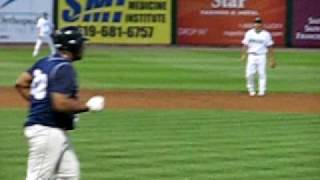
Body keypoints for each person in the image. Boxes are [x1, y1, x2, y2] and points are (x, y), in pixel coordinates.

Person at [15, 26, 105, 180]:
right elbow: (60, 104)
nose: (84, 47)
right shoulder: (64, 68)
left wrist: (38, 102)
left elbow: (21, 82)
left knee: (69, 175)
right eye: (81, 43)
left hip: (53, 130)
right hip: (47, 130)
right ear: (73, 45)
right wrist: (88, 106)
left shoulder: (44, 62)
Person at [241, 17, 276, 96]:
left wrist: (272, 59)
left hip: (262, 56)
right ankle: (251, 90)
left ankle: (262, 91)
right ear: (254, 24)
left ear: (261, 24)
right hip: (251, 55)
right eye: (256, 22)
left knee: (262, 74)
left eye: (259, 22)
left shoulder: (266, 34)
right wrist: (243, 55)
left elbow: (270, 47)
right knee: (249, 74)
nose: (257, 24)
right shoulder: (249, 33)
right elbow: (245, 45)